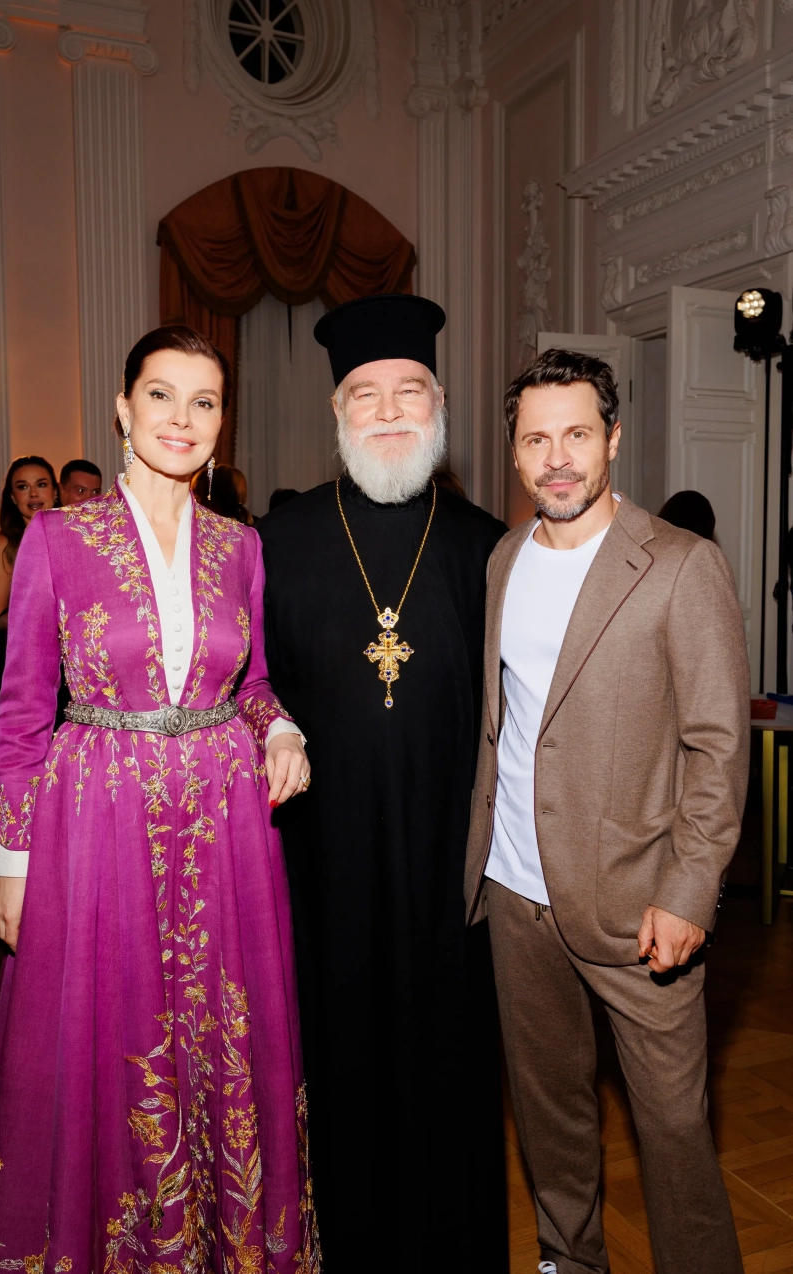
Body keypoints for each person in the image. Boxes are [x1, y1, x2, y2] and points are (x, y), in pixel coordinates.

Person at [0, 326, 320, 1273]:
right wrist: (13, 862)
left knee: (220, 1030)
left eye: (205, 401)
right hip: (96, 818)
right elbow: (23, 711)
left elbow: (253, 682)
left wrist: (281, 729)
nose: (182, 418)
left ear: (222, 421)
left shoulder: (241, 546)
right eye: (161, 395)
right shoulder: (57, 539)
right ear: (123, 408)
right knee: (99, 1030)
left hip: (227, 824)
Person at [464, 348, 750, 1274]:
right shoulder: (503, 560)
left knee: (673, 1128)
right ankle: (568, 1259)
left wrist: (690, 890)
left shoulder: (681, 566)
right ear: (514, 452)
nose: (557, 458)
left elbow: (717, 747)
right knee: (549, 1112)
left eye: (577, 435)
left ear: (614, 439)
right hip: (516, 891)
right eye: (536, 440)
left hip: (640, 907)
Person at [257, 293, 509, 1274]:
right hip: (324, 867)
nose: (390, 410)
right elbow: (243, 689)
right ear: (337, 411)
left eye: (410, 390)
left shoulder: (490, 546)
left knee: (453, 1064)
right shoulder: (276, 543)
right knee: (338, 1062)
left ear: (440, 405)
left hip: (455, 872)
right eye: (367, 393)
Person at [0, 457, 58, 743]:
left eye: (41, 484)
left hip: (71, 673)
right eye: (23, 487)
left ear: (55, 491)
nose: (34, 494)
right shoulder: (3, 544)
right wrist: (56, 617)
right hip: (22, 671)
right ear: (12, 497)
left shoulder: (72, 536)